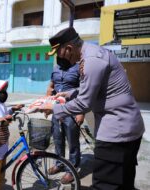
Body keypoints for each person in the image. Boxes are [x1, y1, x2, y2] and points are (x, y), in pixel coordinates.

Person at [40, 27, 145, 190]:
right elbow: (88, 89)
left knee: (104, 184)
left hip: (116, 132)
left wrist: (53, 108)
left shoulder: (92, 60)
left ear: (69, 48)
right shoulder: (91, 55)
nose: (67, 62)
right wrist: (66, 94)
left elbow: (84, 103)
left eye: (64, 56)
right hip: (127, 127)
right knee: (123, 182)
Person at [46, 57, 84, 184]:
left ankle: (72, 169)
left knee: (73, 142)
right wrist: (46, 103)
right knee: (57, 139)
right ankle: (59, 163)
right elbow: (51, 86)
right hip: (57, 110)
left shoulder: (78, 69)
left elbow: (84, 91)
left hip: (72, 111)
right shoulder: (55, 69)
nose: (59, 55)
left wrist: (81, 112)